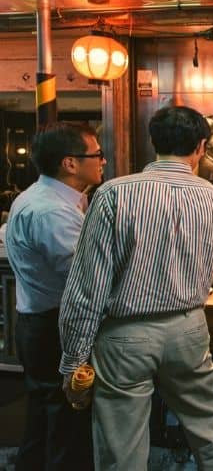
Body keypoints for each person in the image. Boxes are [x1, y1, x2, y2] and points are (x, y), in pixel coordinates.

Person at [58, 105, 213, 470]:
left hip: (127, 336)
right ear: (201, 146)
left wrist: (73, 360)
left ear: (153, 141)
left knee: (122, 449)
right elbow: (206, 268)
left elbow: (86, 286)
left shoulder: (114, 194)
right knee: (211, 429)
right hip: (189, 328)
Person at [5, 122, 104, 470]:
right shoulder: (52, 212)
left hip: (38, 323)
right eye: (97, 154)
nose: (102, 161)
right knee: (66, 419)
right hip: (52, 327)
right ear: (70, 163)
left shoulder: (43, 199)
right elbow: (84, 276)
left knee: (43, 415)